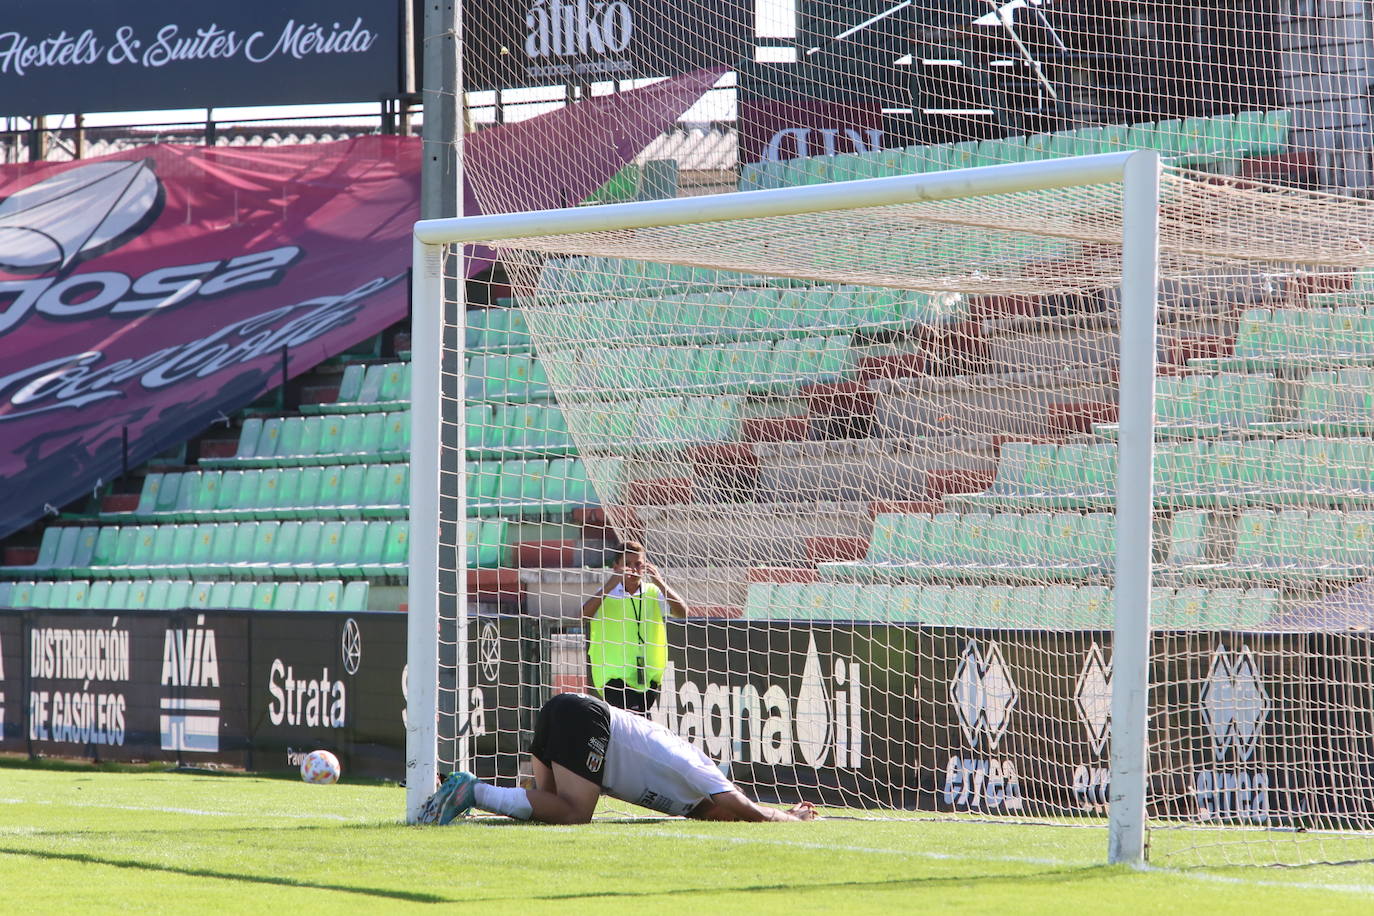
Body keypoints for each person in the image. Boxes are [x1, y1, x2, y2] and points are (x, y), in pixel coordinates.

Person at [417, 692, 817, 825]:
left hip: (567, 711)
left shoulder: (688, 801)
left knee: (548, 804)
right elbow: (747, 809)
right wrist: (790, 818)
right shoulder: (702, 772)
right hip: (588, 718)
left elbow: (736, 810)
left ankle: (462, 791)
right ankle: (474, 791)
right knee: (575, 813)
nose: (730, 822)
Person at [580, 541, 688, 714]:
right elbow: (582, 616)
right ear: (616, 567)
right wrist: (610, 584)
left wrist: (660, 582)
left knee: (635, 727)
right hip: (614, 678)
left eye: (638, 564)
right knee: (629, 722)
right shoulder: (607, 594)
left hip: (647, 676)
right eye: (627, 565)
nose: (633, 569)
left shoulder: (653, 592)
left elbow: (682, 612)